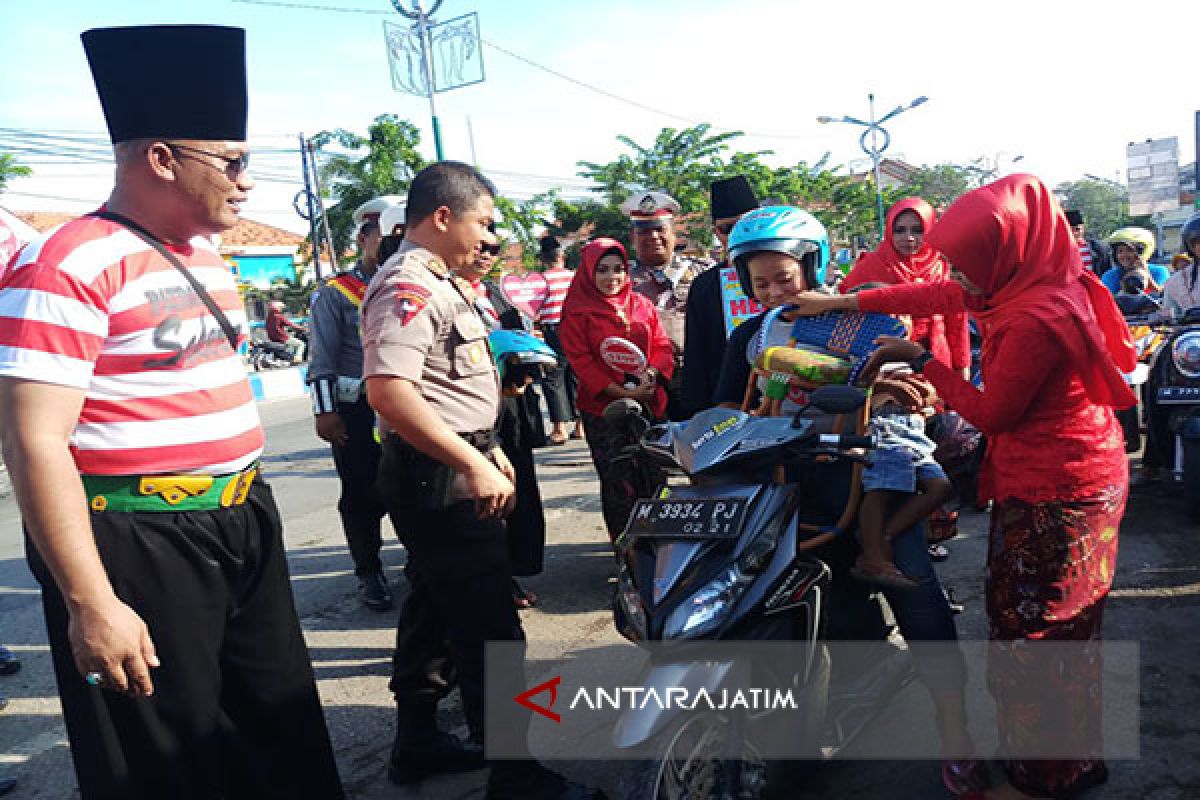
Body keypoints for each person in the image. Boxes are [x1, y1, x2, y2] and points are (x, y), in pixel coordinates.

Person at [0, 25, 343, 799]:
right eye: (233, 161)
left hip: (240, 519)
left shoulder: (207, 256)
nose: (247, 181)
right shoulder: (64, 263)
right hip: (138, 541)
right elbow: (33, 442)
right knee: (164, 765)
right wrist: (92, 602)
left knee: (278, 734)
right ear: (161, 157)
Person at [792, 174, 1134, 799]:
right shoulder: (1030, 280)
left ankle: (1040, 780)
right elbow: (939, 294)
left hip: (1060, 488)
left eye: (972, 266)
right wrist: (839, 305)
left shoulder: (1036, 315)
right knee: (1048, 628)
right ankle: (1066, 761)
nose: (964, 280)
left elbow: (991, 413)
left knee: (1038, 632)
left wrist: (922, 364)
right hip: (1053, 476)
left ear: (1007, 253)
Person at [362, 161, 602, 799]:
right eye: (483, 222)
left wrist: (488, 444)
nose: (488, 236)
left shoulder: (443, 281)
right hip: (439, 477)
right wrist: (470, 460)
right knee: (491, 629)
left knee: (434, 611)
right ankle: (517, 776)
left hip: (450, 464)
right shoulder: (409, 284)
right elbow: (388, 391)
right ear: (444, 217)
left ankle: (416, 742)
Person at [307, 195, 405, 610]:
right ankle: (369, 571)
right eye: (384, 236)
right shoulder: (335, 293)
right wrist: (325, 412)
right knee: (361, 493)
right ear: (365, 237)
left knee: (408, 487)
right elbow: (322, 357)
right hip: (356, 410)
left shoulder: (408, 282)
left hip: (404, 406)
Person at [559, 238, 675, 545]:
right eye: (602, 270)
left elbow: (662, 346)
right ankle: (628, 553)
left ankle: (661, 549)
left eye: (619, 270)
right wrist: (619, 393)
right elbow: (580, 361)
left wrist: (651, 374)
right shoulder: (576, 312)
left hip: (648, 403)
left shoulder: (642, 304)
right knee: (618, 481)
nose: (612, 278)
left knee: (654, 476)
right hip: (604, 410)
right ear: (587, 273)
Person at [463, 239, 548, 610]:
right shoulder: (444, 294)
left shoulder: (496, 295)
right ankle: (494, 578)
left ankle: (512, 568)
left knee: (516, 489)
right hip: (469, 413)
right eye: (479, 245)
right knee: (483, 500)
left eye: (493, 249)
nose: (485, 254)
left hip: (508, 405)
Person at [841, 197, 971, 377]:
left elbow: (956, 323)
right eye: (900, 230)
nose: (908, 238)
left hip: (937, 360)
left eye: (918, 230)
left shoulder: (942, 266)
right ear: (889, 232)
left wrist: (962, 369)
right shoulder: (872, 265)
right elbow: (843, 305)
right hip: (884, 363)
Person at [852, 369, 955, 589]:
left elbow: (934, 392)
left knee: (941, 487)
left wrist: (925, 392)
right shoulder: (868, 353)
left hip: (915, 434)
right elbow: (854, 383)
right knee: (882, 486)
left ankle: (885, 534)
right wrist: (886, 387)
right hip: (886, 428)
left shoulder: (910, 356)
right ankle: (872, 555)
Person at [621, 190, 711, 420]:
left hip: (695, 372)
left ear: (673, 233)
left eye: (659, 229)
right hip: (644, 378)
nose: (652, 236)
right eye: (643, 231)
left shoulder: (703, 271)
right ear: (632, 237)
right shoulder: (620, 280)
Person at [681, 175, 762, 417]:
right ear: (717, 232)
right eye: (728, 229)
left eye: (745, 225)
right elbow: (697, 355)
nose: (738, 235)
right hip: (726, 402)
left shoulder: (790, 277)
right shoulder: (705, 286)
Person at [535, 234, 582, 443]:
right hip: (576, 328)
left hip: (551, 330)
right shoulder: (574, 277)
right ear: (562, 256)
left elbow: (533, 310)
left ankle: (559, 428)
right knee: (577, 375)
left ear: (543, 259)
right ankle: (581, 426)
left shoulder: (540, 281)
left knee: (553, 377)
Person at [1100, 226, 1168, 295]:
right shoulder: (1110, 276)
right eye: (1120, 251)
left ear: (1142, 252)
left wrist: (1147, 276)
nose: (1124, 255)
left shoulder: (1159, 271)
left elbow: (1163, 295)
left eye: (1129, 250)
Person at [1160, 213, 1200, 318]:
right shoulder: (1176, 282)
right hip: (1192, 334)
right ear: (1190, 246)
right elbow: (1168, 318)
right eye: (1198, 241)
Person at [1064, 208, 1111, 277]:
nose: (1074, 233)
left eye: (1077, 229)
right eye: (1070, 230)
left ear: (1083, 228)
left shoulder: (1098, 248)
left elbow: (1106, 271)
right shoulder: (1059, 250)